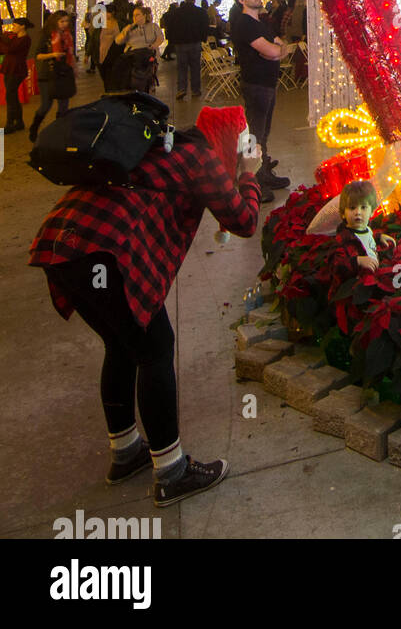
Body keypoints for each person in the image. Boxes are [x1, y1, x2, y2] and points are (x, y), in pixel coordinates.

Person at [28, 103, 261, 507]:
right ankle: (172, 473)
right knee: (154, 350)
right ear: (229, 140)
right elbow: (243, 221)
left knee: (122, 345)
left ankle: (125, 452)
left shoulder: (161, 143)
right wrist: (249, 177)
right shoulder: (200, 158)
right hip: (107, 252)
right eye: (243, 141)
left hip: (62, 242)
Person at [228, 0, 293, 195]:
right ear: (242, 0)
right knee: (254, 134)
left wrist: (275, 50)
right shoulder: (244, 23)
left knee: (262, 133)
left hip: (267, 83)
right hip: (256, 84)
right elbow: (274, 51)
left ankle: (263, 172)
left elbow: (280, 47)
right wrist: (275, 51)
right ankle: (252, 180)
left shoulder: (260, 23)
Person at [29, 10, 77, 143]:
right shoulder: (47, 35)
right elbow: (38, 55)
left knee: (63, 106)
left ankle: (58, 133)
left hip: (64, 73)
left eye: (66, 21)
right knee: (46, 105)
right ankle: (34, 128)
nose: (64, 24)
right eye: (62, 21)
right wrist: (53, 55)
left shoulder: (67, 35)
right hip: (48, 74)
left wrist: (73, 66)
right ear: (55, 21)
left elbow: (70, 54)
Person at [117, 6, 164, 94]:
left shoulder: (153, 26)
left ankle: (150, 84)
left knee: (150, 67)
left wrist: (154, 45)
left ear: (144, 16)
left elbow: (160, 37)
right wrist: (126, 31)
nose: (135, 17)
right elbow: (118, 41)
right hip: (133, 55)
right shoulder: (130, 28)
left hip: (148, 54)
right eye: (133, 15)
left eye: (137, 15)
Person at [174, 0, 209, 103]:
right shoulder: (200, 12)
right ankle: (195, 90)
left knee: (182, 68)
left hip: (180, 43)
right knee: (195, 67)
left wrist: (173, 40)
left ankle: (181, 89)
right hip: (195, 43)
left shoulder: (177, 12)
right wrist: (203, 38)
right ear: (194, 0)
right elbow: (205, 26)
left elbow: (171, 26)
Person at [2, 17, 33, 135]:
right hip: (9, 68)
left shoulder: (25, 39)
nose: (13, 28)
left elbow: (10, 49)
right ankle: (19, 122)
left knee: (10, 96)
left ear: (22, 26)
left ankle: (10, 123)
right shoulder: (15, 37)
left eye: (15, 25)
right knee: (12, 95)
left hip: (17, 69)